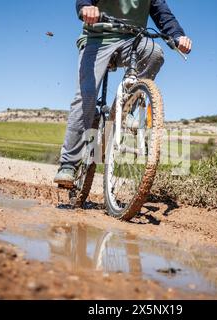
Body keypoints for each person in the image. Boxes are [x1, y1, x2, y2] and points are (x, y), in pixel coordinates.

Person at [55, 0, 192, 188]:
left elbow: (163, 15)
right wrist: (86, 7)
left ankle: (122, 111)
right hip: (98, 38)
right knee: (86, 96)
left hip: (133, 40)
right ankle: (68, 165)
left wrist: (178, 36)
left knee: (155, 54)